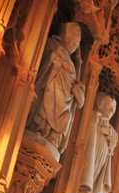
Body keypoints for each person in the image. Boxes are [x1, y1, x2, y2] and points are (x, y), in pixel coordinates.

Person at [27, 22, 85, 157]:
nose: (76, 44)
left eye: (78, 41)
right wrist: (59, 63)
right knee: (45, 109)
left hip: (64, 102)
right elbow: (46, 64)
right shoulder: (54, 47)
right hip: (50, 90)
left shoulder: (71, 61)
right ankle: (38, 129)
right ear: (65, 36)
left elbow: (76, 93)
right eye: (75, 38)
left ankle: (51, 138)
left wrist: (77, 90)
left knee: (66, 117)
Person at [78, 93, 117, 193]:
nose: (111, 110)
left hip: (102, 155)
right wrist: (101, 129)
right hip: (92, 151)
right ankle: (85, 187)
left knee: (97, 168)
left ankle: (93, 189)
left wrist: (112, 144)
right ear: (99, 104)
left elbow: (111, 151)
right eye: (109, 106)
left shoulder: (110, 126)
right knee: (91, 165)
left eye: (113, 109)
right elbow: (90, 127)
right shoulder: (95, 115)